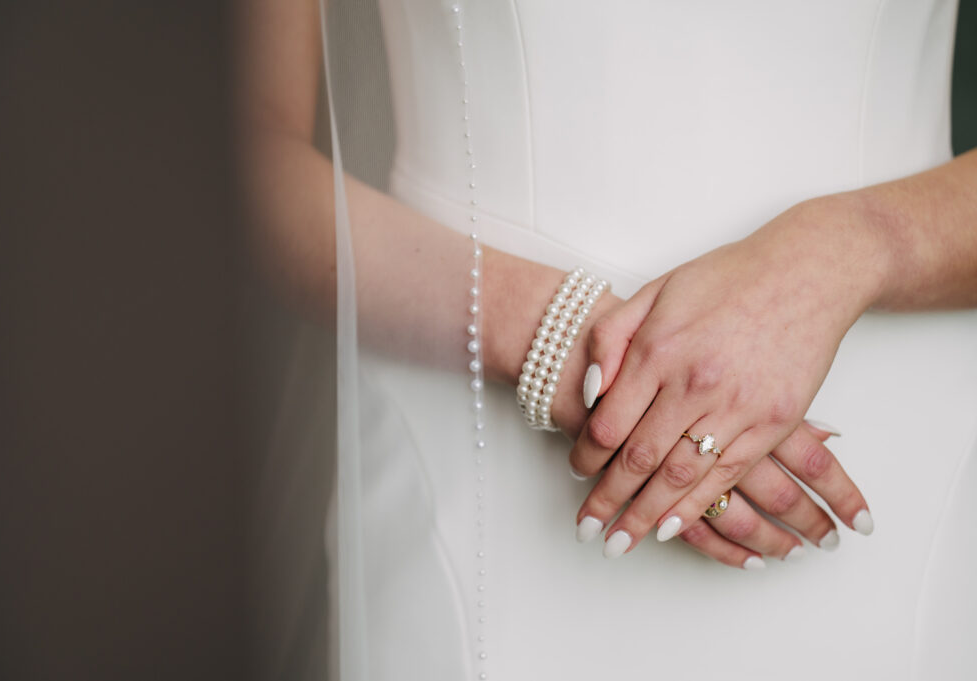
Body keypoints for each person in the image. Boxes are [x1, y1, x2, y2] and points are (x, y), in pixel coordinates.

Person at [241, 0, 977, 679]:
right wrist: (556, 335)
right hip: (471, 456)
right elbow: (230, 156)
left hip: (893, 456)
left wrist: (849, 250)